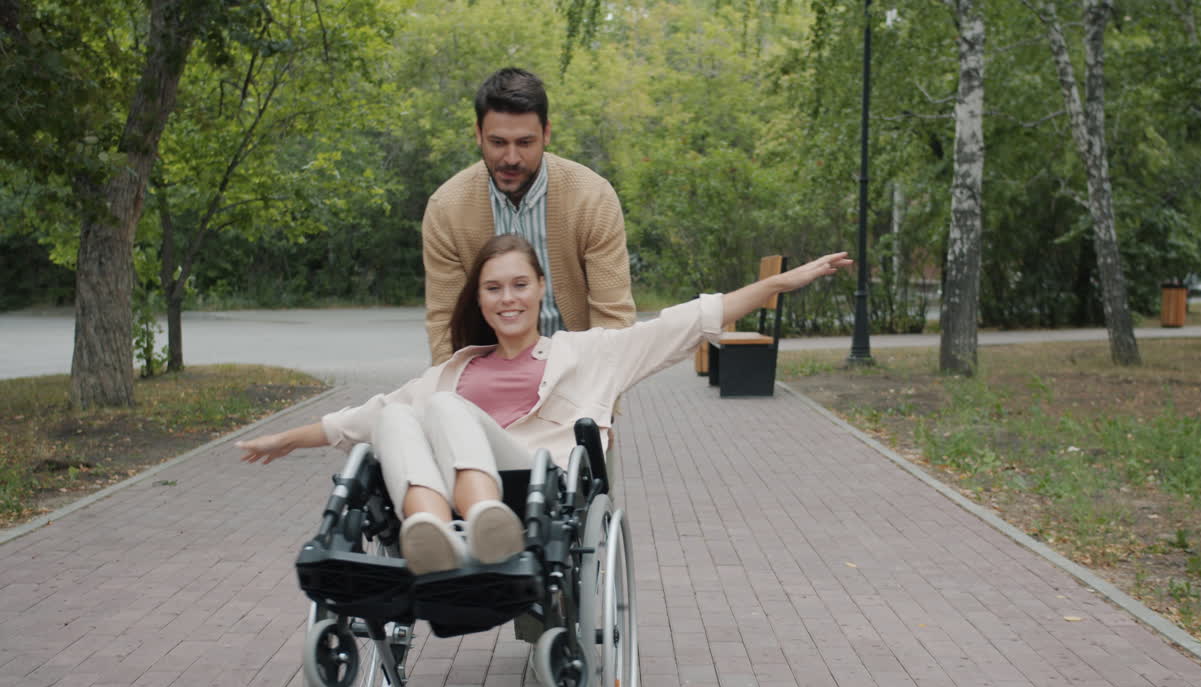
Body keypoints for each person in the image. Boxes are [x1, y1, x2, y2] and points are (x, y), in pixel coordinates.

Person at [237, 234, 851, 575]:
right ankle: (427, 531)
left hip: (536, 489)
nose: (507, 298)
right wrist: (284, 438)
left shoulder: (587, 354)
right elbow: (359, 420)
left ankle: (485, 524)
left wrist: (778, 283)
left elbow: (687, 322)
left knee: (445, 411)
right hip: (445, 497)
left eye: (519, 285)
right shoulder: (454, 370)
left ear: (539, 292)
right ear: (480, 301)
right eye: (493, 288)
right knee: (401, 413)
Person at [421, 67, 635, 365]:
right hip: (487, 377)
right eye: (498, 143)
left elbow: (613, 317)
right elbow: (446, 325)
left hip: (577, 372)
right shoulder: (446, 209)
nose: (511, 158)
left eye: (524, 143)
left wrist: (596, 388)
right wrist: (455, 389)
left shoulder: (592, 199)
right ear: (478, 134)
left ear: (546, 134)